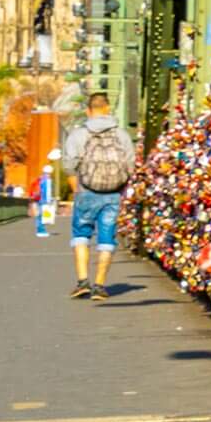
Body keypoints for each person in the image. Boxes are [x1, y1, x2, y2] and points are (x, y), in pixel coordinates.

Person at [67, 96, 137, 300]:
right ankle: (99, 285)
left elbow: (69, 165)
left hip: (86, 190)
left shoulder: (79, 134)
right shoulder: (122, 135)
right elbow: (130, 165)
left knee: (81, 234)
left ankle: (82, 282)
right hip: (113, 193)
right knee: (107, 238)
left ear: (89, 111)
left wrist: (77, 191)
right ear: (107, 109)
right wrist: (120, 187)